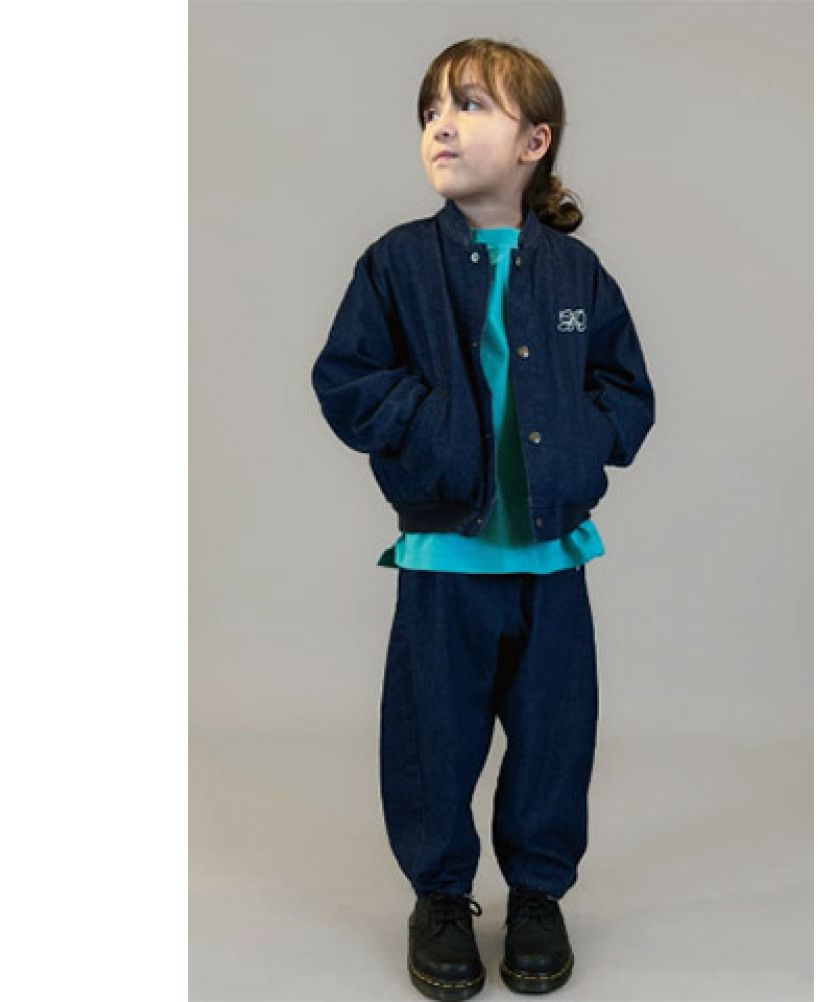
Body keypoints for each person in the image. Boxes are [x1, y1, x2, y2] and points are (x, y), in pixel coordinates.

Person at [310, 37, 655, 1000]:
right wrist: (428, 432)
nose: (442, 125)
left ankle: (537, 896)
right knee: (433, 737)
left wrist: (581, 450)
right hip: (444, 559)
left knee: (555, 735)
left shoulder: (576, 276)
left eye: (469, 106)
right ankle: (441, 897)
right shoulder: (397, 263)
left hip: (552, 559)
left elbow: (626, 391)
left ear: (534, 141)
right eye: (431, 111)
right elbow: (348, 378)